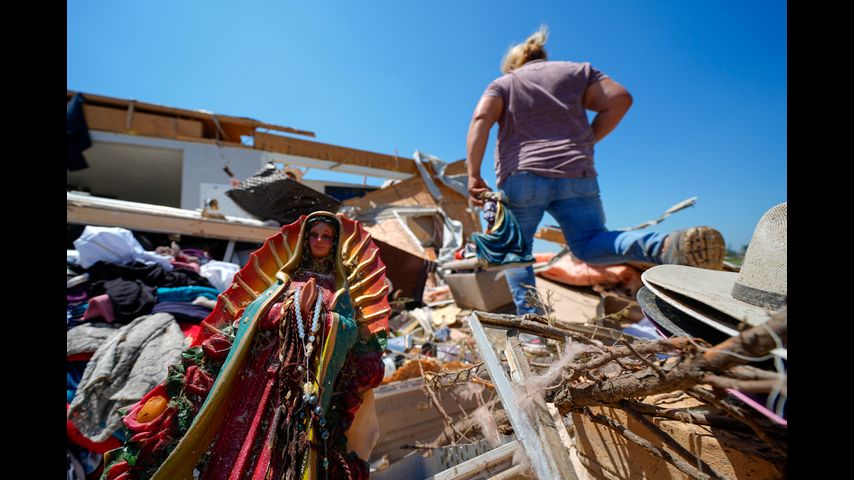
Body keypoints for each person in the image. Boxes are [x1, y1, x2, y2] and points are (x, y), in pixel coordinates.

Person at [102, 211, 388, 480]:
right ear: (305, 239)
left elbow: (349, 332)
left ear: (334, 242)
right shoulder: (284, 280)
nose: (319, 241)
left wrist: (326, 319)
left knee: (290, 444)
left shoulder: (339, 289)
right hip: (263, 377)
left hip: (308, 383)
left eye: (327, 237)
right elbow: (253, 315)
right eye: (315, 235)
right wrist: (288, 310)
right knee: (243, 433)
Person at [466, 26, 725, 315]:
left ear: (513, 64)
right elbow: (620, 99)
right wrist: (587, 140)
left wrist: (473, 175)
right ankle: (664, 245)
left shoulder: (504, 83)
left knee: (516, 253)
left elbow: (481, 118)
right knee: (590, 243)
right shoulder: (577, 72)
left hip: (522, 175)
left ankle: (535, 328)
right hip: (577, 173)